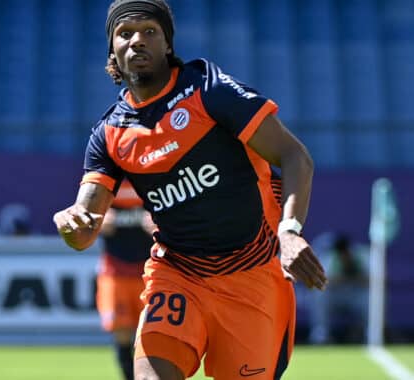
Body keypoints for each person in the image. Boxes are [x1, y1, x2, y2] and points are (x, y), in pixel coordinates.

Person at [53, 1, 327, 379]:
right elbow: (84, 231)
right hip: (178, 273)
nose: (137, 41)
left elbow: (295, 156)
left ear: (167, 44)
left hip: (253, 274)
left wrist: (291, 231)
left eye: (149, 31)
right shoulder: (109, 135)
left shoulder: (209, 91)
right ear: (112, 49)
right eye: (125, 33)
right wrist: (69, 220)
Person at [96, 179, 154, 380]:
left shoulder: (152, 176)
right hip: (115, 270)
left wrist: (160, 221)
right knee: (122, 334)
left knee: (153, 336)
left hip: (151, 272)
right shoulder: (106, 179)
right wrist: (98, 219)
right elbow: (86, 215)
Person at [309, 233, 369, 344]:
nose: (344, 255)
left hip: (356, 296)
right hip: (336, 296)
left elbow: (374, 281)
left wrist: (354, 277)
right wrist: (345, 278)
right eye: (341, 252)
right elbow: (324, 282)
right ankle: (321, 333)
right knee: (319, 295)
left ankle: (370, 333)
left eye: (345, 251)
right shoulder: (330, 259)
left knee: (370, 298)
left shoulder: (362, 256)